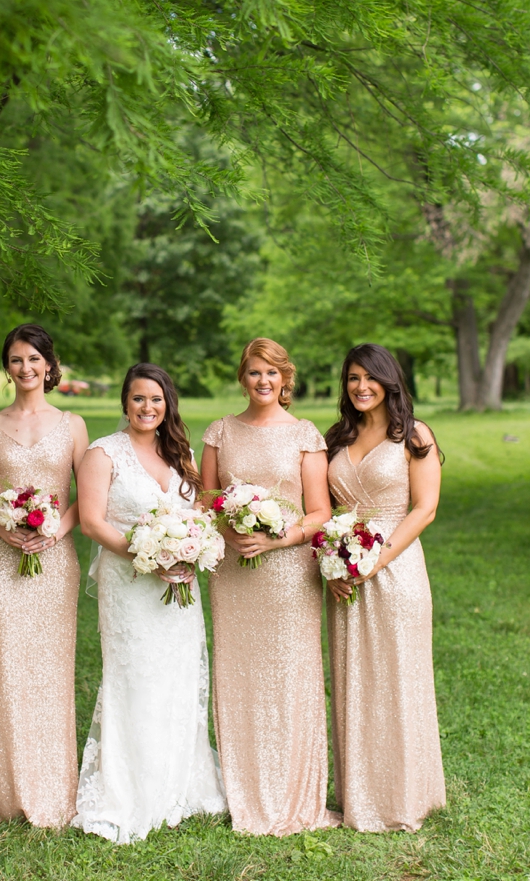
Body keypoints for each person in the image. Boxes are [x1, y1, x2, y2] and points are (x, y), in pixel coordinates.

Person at [73, 363, 226, 843]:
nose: (147, 408)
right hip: (129, 586)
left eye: (156, 400)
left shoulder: (181, 454)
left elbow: (200, 511)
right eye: (139, 399)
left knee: (179, 675)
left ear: (167, 405)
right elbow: (93, 523)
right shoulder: (103, 453)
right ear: (125, 402)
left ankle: (181, 783)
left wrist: (191, 546)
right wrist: (145, 555)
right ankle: (131, 792)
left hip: (180, 588)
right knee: (135, 678)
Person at [200, 337, 338, 836]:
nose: (263, 381)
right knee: (239, 673)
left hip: (288, 574)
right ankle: (246, 790)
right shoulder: (220, 432)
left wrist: (278, 541)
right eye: (255, 373)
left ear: (286, 380)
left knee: (290, 674)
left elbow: (320, 511)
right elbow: (207, 501)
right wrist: (228, 530)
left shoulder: (304, 434)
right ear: (244, 377)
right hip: (233, 574)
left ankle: (294, 792)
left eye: (272, 373)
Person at [0, 324, 87, 827]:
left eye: (34, 359)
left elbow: (87, 498)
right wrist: (3, 527)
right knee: (6, 671)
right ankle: (8, 792)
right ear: (6, 367)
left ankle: (55, 789)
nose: (26, 368)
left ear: (49, 365)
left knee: (52, 672)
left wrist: (55, 531)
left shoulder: (73, 424)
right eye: (16, 360)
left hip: (55, 562)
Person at [325, 343, 446, 832]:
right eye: (352, 378)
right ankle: (360, 796)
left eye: (369, 378)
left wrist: (376, 560)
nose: (360, 387)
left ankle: (403, 797)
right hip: (345, 574)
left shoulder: (413, 435)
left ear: (388, 381)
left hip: (395, 570)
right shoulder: (338, 436)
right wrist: (335, 564)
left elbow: (425, 508)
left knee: (397, 681)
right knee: (354, 680)